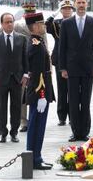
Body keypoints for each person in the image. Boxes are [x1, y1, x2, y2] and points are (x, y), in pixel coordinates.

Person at [59, 0, 93, 142]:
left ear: (87, 4)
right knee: (73, 100)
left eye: (83, 2)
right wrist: (63, 68)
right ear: (75, 5)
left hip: (88, 68)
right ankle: (75, 131)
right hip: (71, 68)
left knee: (85, 100)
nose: (81, 5)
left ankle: (84, 132)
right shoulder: (66, 23)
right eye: (79, 3)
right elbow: (62, 47)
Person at [0, 13, 29, 143]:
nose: (9, 24)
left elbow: (25, 59)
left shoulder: (21, 39)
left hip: (17, 79)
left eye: (11, 22)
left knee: (16, 106)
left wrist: (26, 75)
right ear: (2, 24)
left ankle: (14, 132)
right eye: (7, 22)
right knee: (1, 107)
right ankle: (3, 132)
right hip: (1, 79)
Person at [25, 12, 55, 170]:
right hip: (39, 92)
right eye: (42, 23)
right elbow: (38, 74)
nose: (44, 25)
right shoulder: (36, 46)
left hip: (39, 91)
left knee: (36, 124)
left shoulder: (37, 42)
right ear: (35, 26)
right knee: (37, 125)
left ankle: (35, 156)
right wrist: (42, 95)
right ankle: (34, 158)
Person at [14, 3, 48, 133]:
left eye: (32, 12)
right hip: (22, 64)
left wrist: (47, 66)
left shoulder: (39, 25)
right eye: (28, 12)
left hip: (36, 64)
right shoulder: (18, 25)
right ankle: (24, 121)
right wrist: (13, 18)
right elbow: (3, 31)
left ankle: (33, 118)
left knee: (36, 91)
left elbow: (45, 44)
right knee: (23, 93)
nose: (30, 14)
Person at [45, 0, 74, 126]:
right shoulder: (57, 23)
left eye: (69, 8)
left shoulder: (75, 23)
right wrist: (54, 13)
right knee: (62, 89)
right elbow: (47, 26)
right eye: (64, 8)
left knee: (73, 90)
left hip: (73, 60)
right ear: (61, 10)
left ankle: (73, 116)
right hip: (59, 59)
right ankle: (62, 116)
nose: (67, 10)